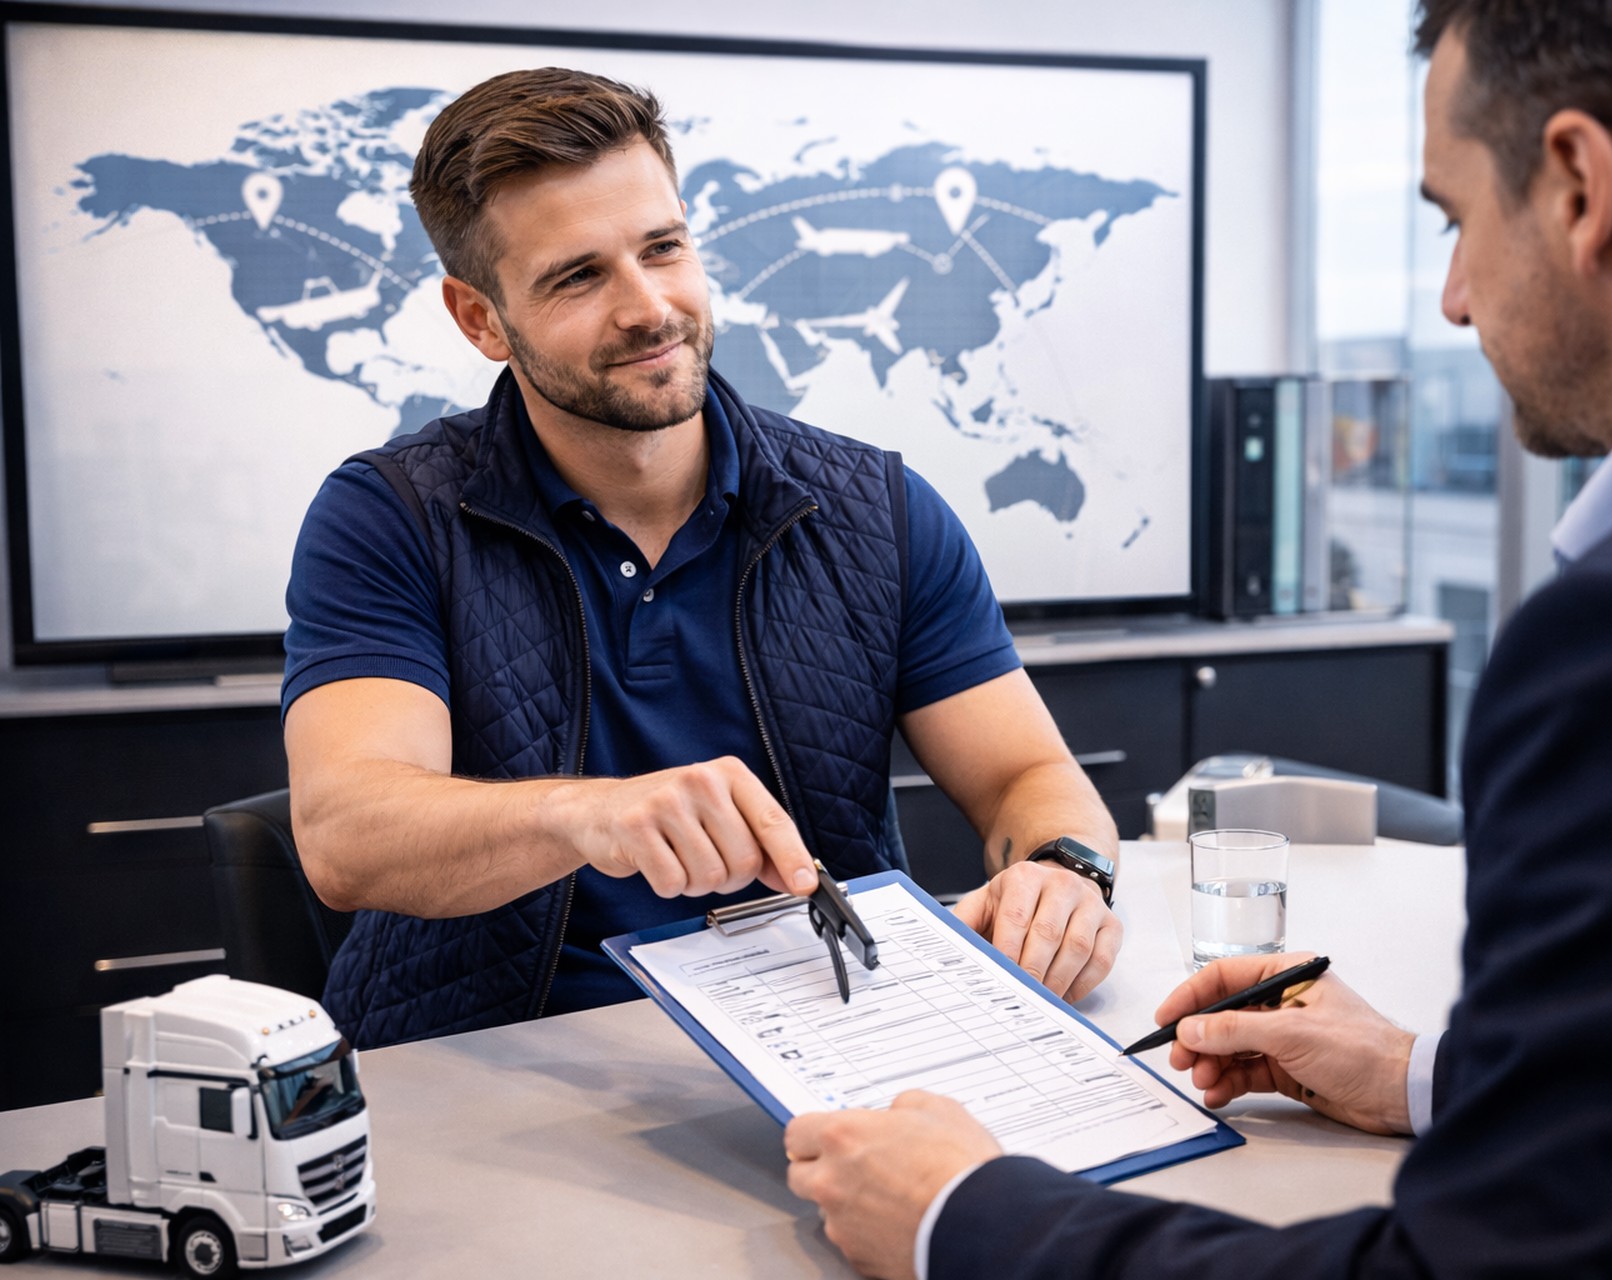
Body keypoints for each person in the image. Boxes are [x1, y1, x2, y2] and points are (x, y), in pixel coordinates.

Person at [785, 1, 1612, 1275]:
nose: (1449, 297)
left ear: (1581, 186)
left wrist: (966, 1214)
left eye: (1453, 216)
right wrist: (1424, 1071)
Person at [281, 67, 1121, 1051]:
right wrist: (587, 817)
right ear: (479, 319)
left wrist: (1065, 870)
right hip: (496, 1065)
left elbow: (1028, 771)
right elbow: (347, 834)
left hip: (827, 1045)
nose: (650, 306)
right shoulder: (390, 517)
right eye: (579, 275)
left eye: (663, 248)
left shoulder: (877, 509)